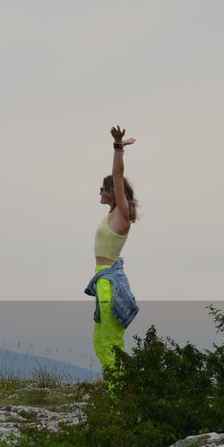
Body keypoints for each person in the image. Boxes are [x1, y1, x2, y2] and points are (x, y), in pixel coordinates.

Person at [85, 125, 140, 375]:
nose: (99, 192)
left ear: (111, 192)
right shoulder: (111, 215)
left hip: (109, 283)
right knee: (100, 341)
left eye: (101, 188)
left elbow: (118, 176)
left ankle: (121, 393)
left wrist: (118, 147)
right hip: (103, 281)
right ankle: (115, 387)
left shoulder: (121, 215)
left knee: (110, 343)